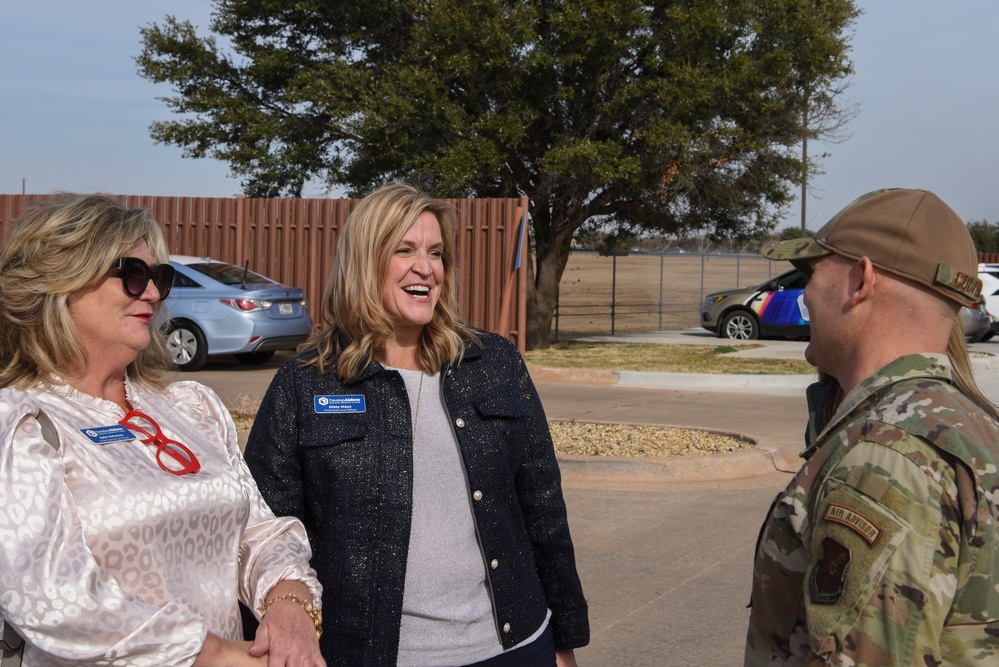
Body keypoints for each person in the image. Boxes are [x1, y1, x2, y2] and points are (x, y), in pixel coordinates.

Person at [244, 183, 589, 666]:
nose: (425, 268)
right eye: (404, 250)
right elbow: (263, 534)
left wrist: (565, 640)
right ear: (365, 262)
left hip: (514, 648)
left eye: (436, 253)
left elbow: (544, 509)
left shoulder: (494, 364)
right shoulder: (303, 386)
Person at [0, 194, 325, 667]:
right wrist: (218, 656)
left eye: (160, 278)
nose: (152, 293)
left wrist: (291, 604)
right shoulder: (21, 421)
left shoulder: (191, 407)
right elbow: (55, 600)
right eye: (134, 275)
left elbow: (258, 532)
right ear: (59, 282)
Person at [744, 188, 999, 665]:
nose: (805, 296)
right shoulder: (970, 424)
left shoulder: (885, 459)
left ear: (861, 279)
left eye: (812, 274)